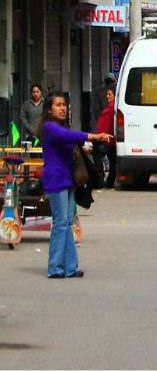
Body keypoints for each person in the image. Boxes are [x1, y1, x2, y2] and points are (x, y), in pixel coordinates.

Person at [38, 93, 113, 278]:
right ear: (49, 110)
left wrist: (88, 146)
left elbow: (71, 140)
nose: (63, 108)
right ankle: (54, 268)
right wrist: (95, 136)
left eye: (64, 104)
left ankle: (70, 267)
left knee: (67, 223)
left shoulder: (61, 126)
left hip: (69, 179)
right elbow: (69, 136)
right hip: (56, 180)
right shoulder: (49, 127)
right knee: (60, 224)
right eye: (58, 105)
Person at [95, 86, 117, 188]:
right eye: (107, 94)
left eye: (109, 94)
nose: (107, 96)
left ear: (115, 95)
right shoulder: (110, 107)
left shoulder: (112, 108)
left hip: (108, 139)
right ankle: (109, 182)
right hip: (108, 139)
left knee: (97, 154)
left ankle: (101, 177)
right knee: (112, 162)